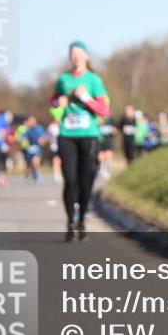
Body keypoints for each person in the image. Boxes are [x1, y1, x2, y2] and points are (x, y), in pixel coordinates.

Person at [50, 40, 110, 241]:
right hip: (67, 135)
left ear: (86, 57)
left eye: (79, 53)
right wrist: (58, 102)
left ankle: (82, 217)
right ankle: (70, 222)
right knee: (70, 179)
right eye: (72, 53)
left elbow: (104, 110)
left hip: (88, 136)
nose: (75, 56)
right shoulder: (63, 79)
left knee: (86, 181)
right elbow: (52, 103)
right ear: (70, 57)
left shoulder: (94, 80)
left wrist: (85, 98)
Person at [20, 115, 47, 182]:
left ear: (34, 121)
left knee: (35, 161)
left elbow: (44, 136)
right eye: (28, 121)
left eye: (31, 121)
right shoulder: (28, 130)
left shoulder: (39, 128)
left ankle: (37, 173)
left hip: (38, 148)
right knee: (30, 163)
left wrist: (42, 140)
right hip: (30, 148)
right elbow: (23, 137)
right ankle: (34, 173)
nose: (29, 122)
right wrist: (24, 141)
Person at [97, 115, 115, 179]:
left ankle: (108, 170)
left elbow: (115, 131)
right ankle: (101, 170)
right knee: (100, 156)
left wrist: (112, 130)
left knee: (108, 155)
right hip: (99, 140)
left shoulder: (111, 119)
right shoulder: (97, 118)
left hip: (108, 140)